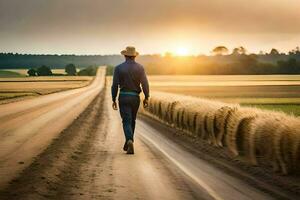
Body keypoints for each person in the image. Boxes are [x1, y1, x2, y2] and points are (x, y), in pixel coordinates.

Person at [111, 46, 149, 154]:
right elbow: (145, 84)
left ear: (125, 55)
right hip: (135, 97)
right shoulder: (140, 68)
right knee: (132, 120)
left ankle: (129, 140)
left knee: (126, 121)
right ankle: (129, 141)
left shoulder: (118, 68)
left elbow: (114, 85)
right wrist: (147, 97)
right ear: (134, 56)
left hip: (123, 96)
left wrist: (113, 98)